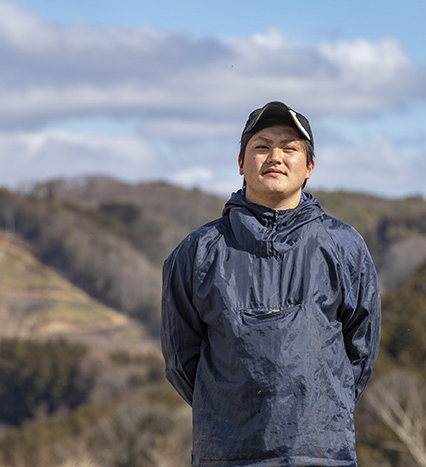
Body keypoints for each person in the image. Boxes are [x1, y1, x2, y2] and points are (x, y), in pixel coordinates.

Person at [160, 101, 381, 466]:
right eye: (261, 146)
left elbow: (360, 351)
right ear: (241, 164)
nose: (275, 156)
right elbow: (181, 361)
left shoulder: (345, 246)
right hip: (227, 456)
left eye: (289, 148)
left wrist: (322, 408)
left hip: (321, 454)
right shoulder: (197, 253)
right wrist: (228, 409)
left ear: (309, 166)